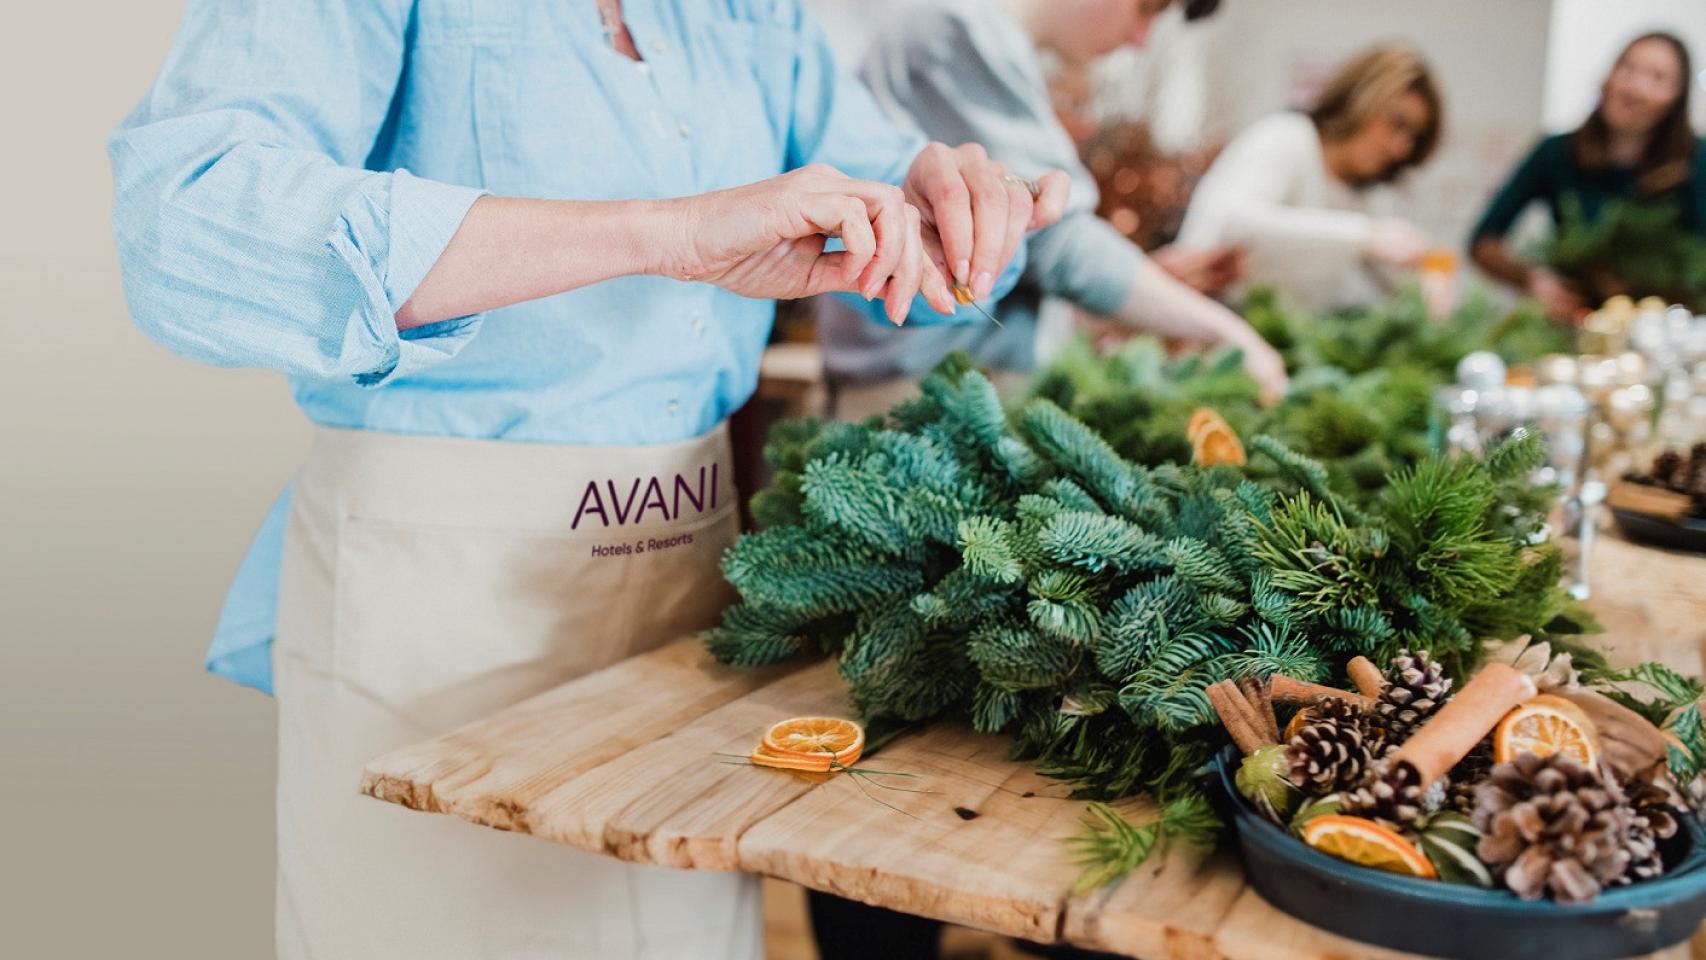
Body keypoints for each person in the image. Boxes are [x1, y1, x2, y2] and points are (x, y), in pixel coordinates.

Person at [108, 1, 1068, 957]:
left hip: (693, 586)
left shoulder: (752, 11)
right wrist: (669, 234)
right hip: (442, 607)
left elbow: (895, 190)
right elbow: (184, 220)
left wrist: (957, 202)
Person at [816, 0, 1289, 421]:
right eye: (1146, 8)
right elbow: (1058, 243)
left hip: (945, 378)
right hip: (921, 395)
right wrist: (1228, 332)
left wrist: (1140, 293)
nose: (1141, 39)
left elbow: (1008, 254)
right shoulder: (958, 29)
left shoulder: (984, 39)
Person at [1176, 44, 1445, 313]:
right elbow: (1236, 225)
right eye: (1397, 123)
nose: (1400, 148)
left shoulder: (1360, 196)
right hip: (1202, 319)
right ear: (1362, 99)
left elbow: (1394, 279)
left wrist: (1430, 277)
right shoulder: (1286, 136)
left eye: (1413, 137)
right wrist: (1366, 236)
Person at [1470, 31, 1704, 321]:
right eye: (1628, 68)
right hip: (1575, 324)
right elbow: (1483, 240)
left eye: (1657, 77)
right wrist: (1534, 279)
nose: (1635, 87)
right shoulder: (1557, 152)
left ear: (1676, 98)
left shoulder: (1697, 161)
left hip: (1673, 331)